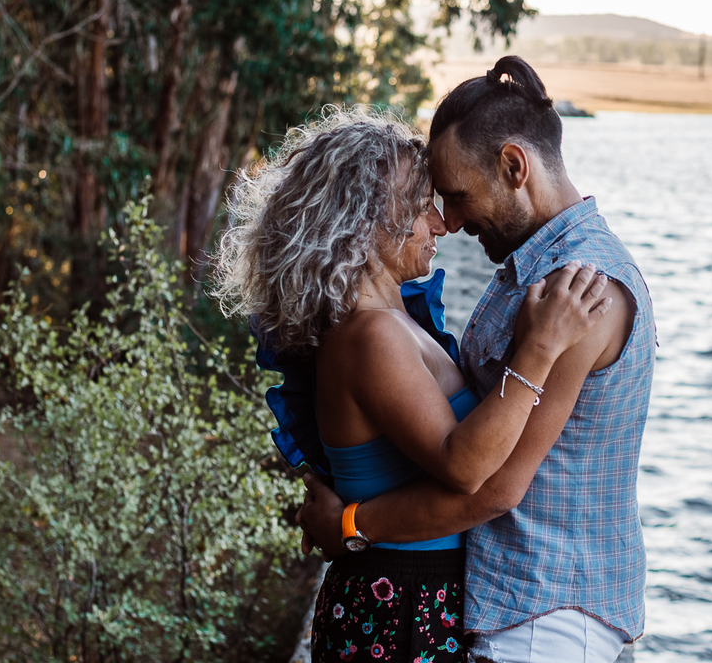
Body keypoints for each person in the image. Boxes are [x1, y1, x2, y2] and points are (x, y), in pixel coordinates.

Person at [211, 109, 613, 663]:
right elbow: (464, 466)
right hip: (396, 603)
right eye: (422, 204)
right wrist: (540, 348)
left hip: (408, 594)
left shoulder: (388, 321)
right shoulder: (371, 334)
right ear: (370, 219)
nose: (441, 223)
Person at [297, 57, 657, 663]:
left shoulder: (577, 290)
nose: (452, 222)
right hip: (509, 607)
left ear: (515, 166)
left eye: (458, 196)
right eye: (434, 202)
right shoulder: (527, 268)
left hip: (544, 618)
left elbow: (493, 487)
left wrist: (352, 525)